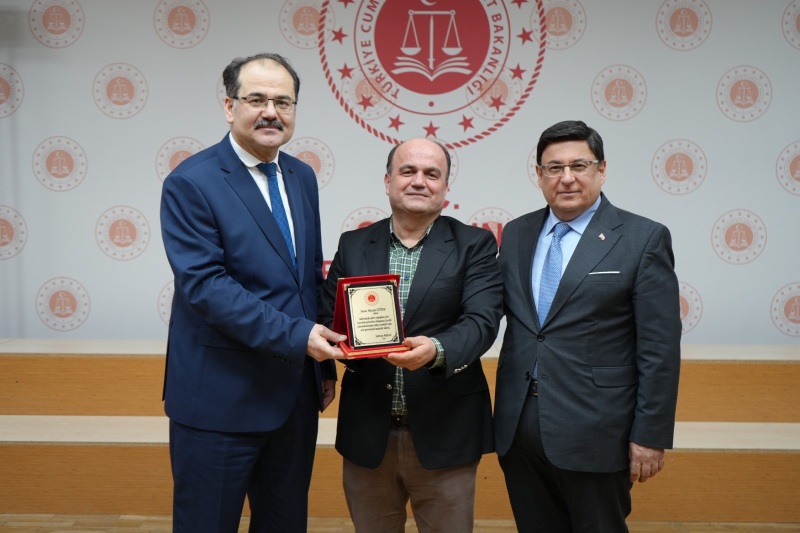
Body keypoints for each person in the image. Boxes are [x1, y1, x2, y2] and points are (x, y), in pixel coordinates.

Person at [159, 52, 345, 533]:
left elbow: (307, 280)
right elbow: (207, 287)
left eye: (283, 102)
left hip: (293, 398)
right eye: (256, 99)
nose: (270, 112)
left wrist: (322, 366)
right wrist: (300, 337)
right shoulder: (191, 182)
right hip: (219, 400)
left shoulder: (301, 176)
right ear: (229, 106)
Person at [494, 120, 682, 532]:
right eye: (554, 168)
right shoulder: (518, 233)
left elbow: (660, 348)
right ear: (539, 175)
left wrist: (650, 434)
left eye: (579, 165)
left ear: (602, 170)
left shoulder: (642, 238)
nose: (566, 178)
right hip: (519, 424)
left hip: (597, 429)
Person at [319, 138, 503, 532]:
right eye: (408, 171)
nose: (419, 181)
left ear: (445, 186)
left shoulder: (475, 244)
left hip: (446, 432)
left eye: (431, 174)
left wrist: (437, 349)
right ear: (388, 181)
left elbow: (483, 320)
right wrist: (331, 358)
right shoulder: (354, 244)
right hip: (368, 430)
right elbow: (327, 318)